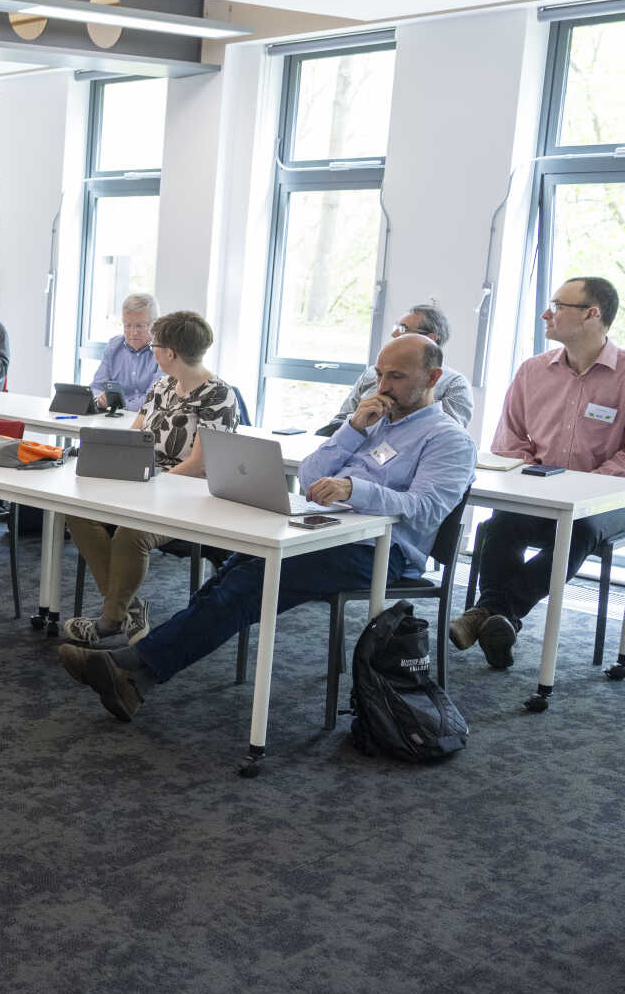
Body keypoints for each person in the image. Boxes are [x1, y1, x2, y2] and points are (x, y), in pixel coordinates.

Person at [58, 334, 476, 722]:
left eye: (396, 377)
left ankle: (135, 668)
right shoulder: (372, 422)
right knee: (233, 573)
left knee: (250, 582)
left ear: (433, 378)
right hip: (323, 529)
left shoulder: (448, 440)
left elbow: (426, 509)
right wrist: (351, 430)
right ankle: (136, 677)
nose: (382, 385)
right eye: (380, 374)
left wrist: (355, 488)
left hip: (383, 552)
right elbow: (310, 473)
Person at [451, 276, 625, 669]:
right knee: (500, 525)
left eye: (558, 306)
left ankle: (490, 612)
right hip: (542, 493)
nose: (547, 313)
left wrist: (585, 487)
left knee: (578, 531)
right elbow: (509, 438)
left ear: (591, 314)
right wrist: (536, 474)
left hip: (608, 500)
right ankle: (502, 621)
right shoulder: (532, 371)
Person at [61, 310, 239, 647]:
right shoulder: (161, 386)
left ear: (170, 353)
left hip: (189, 497)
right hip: (148, 485)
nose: (151, 350)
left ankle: (110, 621)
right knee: (79, 514)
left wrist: (152, 485)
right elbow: (134, 438)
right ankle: (130, 610)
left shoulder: (217, 396)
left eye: (155, 344)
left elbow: (200, 465)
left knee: (132, 533)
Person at [322, 304, 473, 432]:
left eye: (403, 329)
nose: (393, 334)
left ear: (430, 339)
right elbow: (338, 422)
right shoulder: (370, 373)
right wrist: (355, 424)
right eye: (380, 375)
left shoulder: (455, 384)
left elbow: (446, 437)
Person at [89, 293, 159, 413]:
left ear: (155, 324)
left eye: (139, 326)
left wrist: (118, 404)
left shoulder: (163, 351)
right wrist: (100, 399)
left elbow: (153, 399)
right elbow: (96, 387)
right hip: (114, 419)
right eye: (128, 325)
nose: (133, 332)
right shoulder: (114, 347)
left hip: (147, 420)